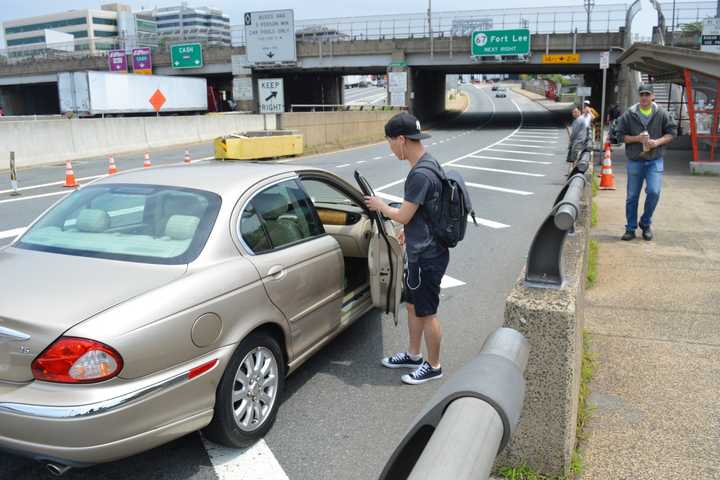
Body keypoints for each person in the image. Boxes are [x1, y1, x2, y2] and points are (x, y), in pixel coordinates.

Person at [365, 112, 448, 385]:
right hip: (421, 248)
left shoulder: (420, 174)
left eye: (390, 143)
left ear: (401, 140)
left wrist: (381, 207)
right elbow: (422, 212)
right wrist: (407, 231)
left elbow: (401, 214)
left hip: (428, 256)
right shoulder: (428, 163)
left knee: (427, 311)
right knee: (413, 306)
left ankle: (434, 365)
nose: (390, 149)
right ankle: (413, 354)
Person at [615, 84, 676, 241]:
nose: (644, 97)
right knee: (632, 196)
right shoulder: (630, 114)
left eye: (647, 94)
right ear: (639, 96)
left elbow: (671, 133)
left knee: (654, 192)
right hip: (636, 160)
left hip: (655, 160)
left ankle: (645, 222)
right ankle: (630, 228)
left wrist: (657, 142)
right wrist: (637, 138)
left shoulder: (662, 113)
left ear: (653, 96)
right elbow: (620, 136)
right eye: (642, 94)